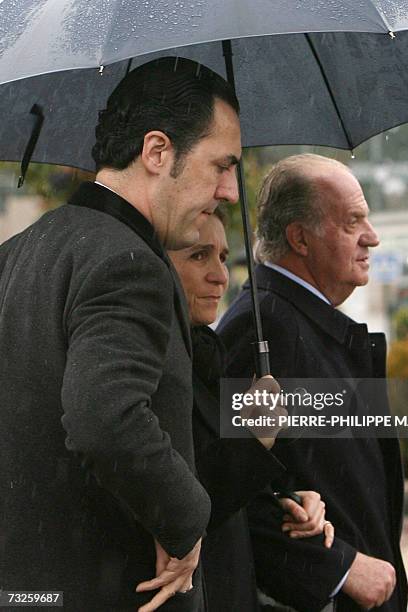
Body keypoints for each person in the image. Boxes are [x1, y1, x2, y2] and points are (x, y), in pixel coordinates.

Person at [0, 57, 241, 612]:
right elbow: (103, 418)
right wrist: (183, 521)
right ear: (157, 152)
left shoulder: (19, 252)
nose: (229, 190)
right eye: (220, 165)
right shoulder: (128, 262)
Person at [218, 154, 408, 611]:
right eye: (352, 221)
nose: (372, 237)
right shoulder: (261, 330)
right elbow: (226, 489)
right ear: (300, 238)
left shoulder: (300, 321)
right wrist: (340, 569)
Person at [169, 208, 335, 611]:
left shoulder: (205, 356)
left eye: (223, 258)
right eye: (198, 256)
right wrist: (255, 441)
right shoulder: (160, 365)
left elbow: (228, 488)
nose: (220, 276)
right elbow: (190, 497)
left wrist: (289, 500)